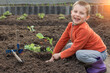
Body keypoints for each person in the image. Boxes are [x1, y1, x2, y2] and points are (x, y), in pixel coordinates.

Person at [46, 0, 108, 73]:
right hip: (88, 49)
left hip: (99, 52)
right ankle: (78, 61)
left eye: (81, 13)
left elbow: (75, 48)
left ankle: (99, 66)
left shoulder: (84, 29)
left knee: (79, 54)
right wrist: (53, 56)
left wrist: (60, 55)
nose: (77, 15)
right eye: (75, 11)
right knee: (69, 46)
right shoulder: (70, 25)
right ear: (71, 12)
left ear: (87, 17)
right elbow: (62, 41)